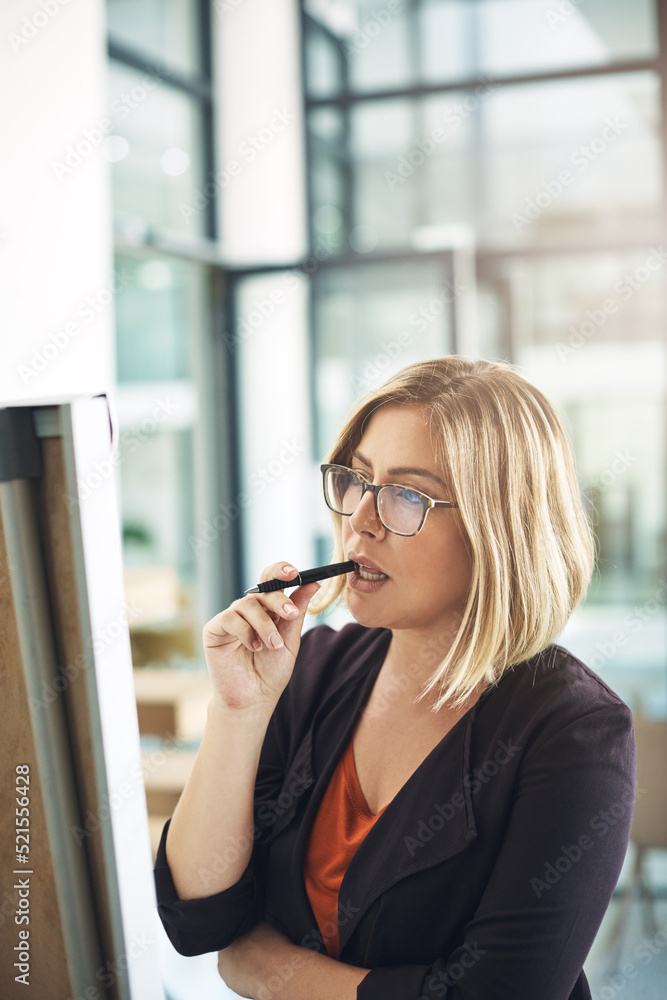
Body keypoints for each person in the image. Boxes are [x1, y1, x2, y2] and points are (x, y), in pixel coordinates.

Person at [154, 356, 636, 1000]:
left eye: (407, 494)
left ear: (500, 528)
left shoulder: (575, 733)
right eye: (358, 480)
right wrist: (238, 712)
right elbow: (199, 917)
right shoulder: (313, 669)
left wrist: (277, 976)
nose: (360, 520)